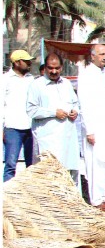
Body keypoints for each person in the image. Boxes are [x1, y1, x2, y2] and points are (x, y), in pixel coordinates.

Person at [77, 44, 105, 212]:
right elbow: (85, 103)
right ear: (92, 56)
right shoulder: (87, 74)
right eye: (101, 54)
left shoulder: (103, 73)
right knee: (97, 164)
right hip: (95, 128)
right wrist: (89, 130)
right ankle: (96, 200)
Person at [25, 53, 80, 182]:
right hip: (48, 139)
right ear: (45, 68)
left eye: (57, 68)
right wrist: (53, 112)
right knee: (49, 174)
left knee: (68, 171)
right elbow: (31, 110)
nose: (54, 71)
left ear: (61, 67)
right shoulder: (37, 85)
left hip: (67, 138)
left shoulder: (66, 83)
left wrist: (75, 111)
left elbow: (75, 103)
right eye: (50, 68)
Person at [2, 49, 35, 182]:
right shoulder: (5, 79)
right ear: (16, 63)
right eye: (26, 61)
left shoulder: (31, 79)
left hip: (30, 128)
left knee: (31, 166)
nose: (29, 63)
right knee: (10, 165)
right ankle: (7, 197)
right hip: (12, 127)